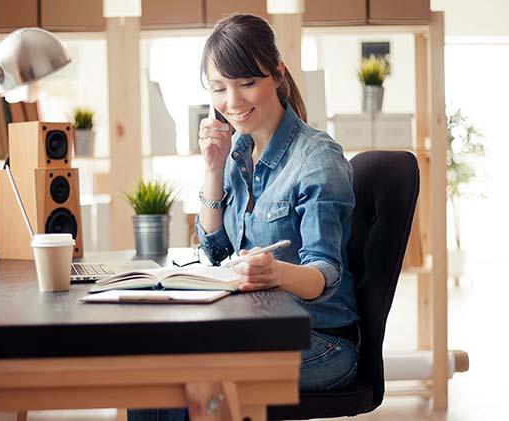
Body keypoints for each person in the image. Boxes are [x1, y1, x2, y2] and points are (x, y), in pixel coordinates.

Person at [129, 14, 359, 421]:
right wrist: (214, 169)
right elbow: (215, 252)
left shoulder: (316, 158)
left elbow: (326, 273)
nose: (232, 102)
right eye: (219, 88)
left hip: (319, 341)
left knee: (185, 381)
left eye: (247, 83)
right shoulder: (237, 152)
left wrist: (276, 273)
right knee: (153, 369)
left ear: (277, 74)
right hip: (253, 328)